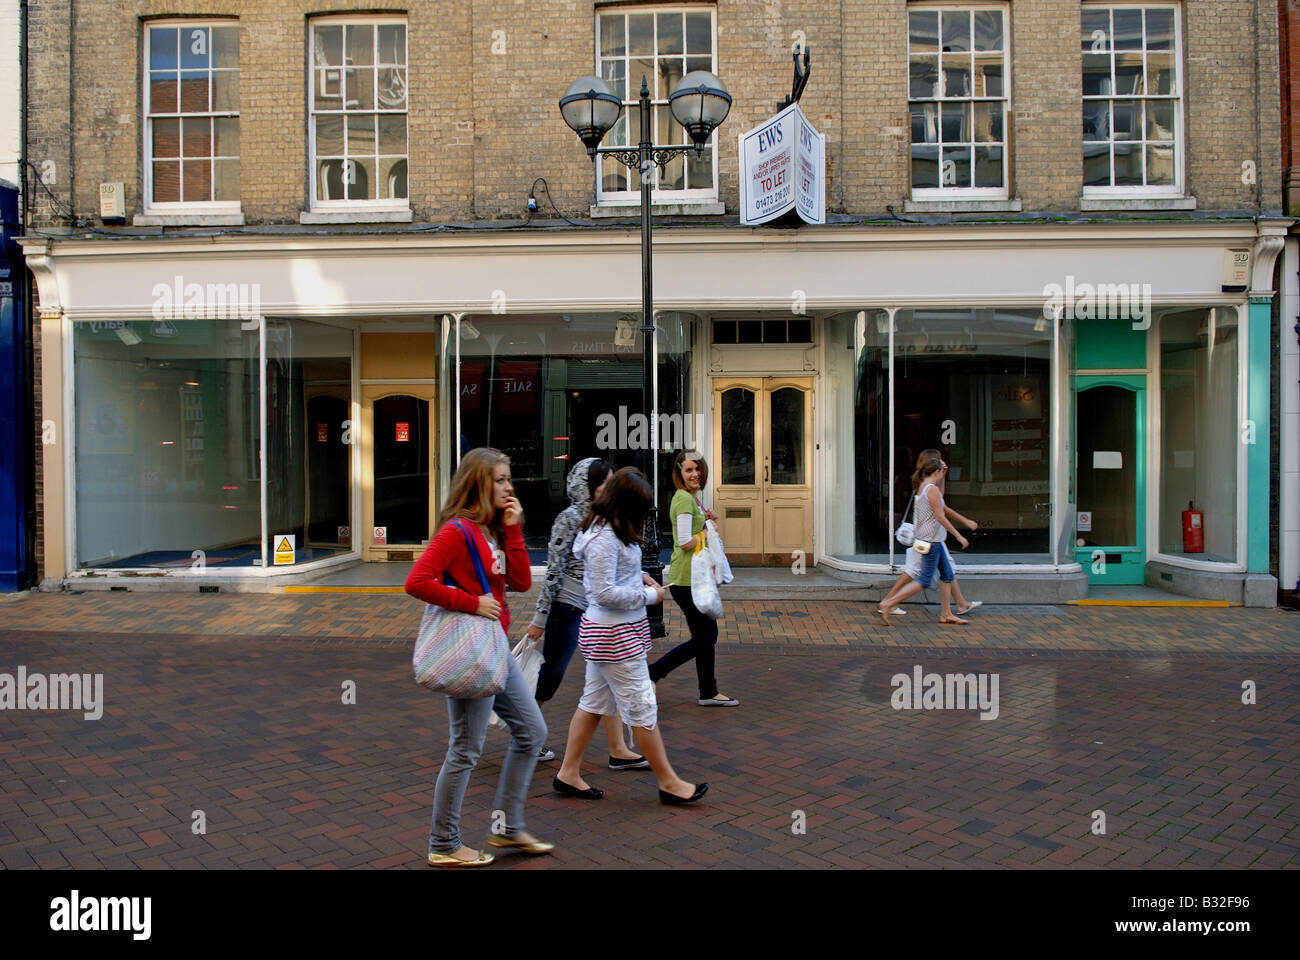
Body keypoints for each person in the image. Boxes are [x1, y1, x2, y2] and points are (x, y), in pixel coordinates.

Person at [405, 447, 552, 867]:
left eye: (509, 479)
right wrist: (471, 602)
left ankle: (507, 828)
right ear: (478, 483)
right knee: (466, 749)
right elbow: (416, 582)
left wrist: (513, 528)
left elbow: (521, 582)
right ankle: (445, 844)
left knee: (532, 733)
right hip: (471, 650)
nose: (509, 486)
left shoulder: (492, 531)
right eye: (500, 479)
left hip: (495, 649)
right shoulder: (457, 531)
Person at [552, 467, 708, 805]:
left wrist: (640, 578)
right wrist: (648, 596)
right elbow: (604, 591)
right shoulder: (606, 536)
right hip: (615, 634)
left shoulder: (606, 530)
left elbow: (612, 576)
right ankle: (669, 782)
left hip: (612, 632)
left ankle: (568, 772)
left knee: (593, 703)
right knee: (640, 707)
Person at [524, 457, 646, 769]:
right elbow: (554, 571)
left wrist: (637, 576)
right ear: (587, 485)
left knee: (607, 678)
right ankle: (525, 735)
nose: (608, 487)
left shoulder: (607, 515)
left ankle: (618, 749)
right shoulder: (569, 518)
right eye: (602, 481)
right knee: (552, 672)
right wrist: (540, 618)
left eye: (610, 480)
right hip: (568, 605)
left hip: (598, 609)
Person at [647, 450, 738, 707]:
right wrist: (707, 530)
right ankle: (652, 673)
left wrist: (706, 521)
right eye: (688, 470)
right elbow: (685, 542)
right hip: (686, 580)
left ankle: (708, 691)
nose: (694, 474)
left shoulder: (691, 498)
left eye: (697, 469)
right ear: (679, 473)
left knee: (707, 634)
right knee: (705, 637)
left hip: (694, 578)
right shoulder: (684, 500)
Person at [885, 448, 981, 618]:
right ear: (934, 467)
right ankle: (888, 602)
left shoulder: (924, 484)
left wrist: (942, 476)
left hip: (931, 537)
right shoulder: (929, 488)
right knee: (920, 576)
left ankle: (955, 607)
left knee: (947, 572)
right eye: (940, 462)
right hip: (930, 538)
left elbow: (940, 500)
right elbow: (941, 511)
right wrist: (959, 533)